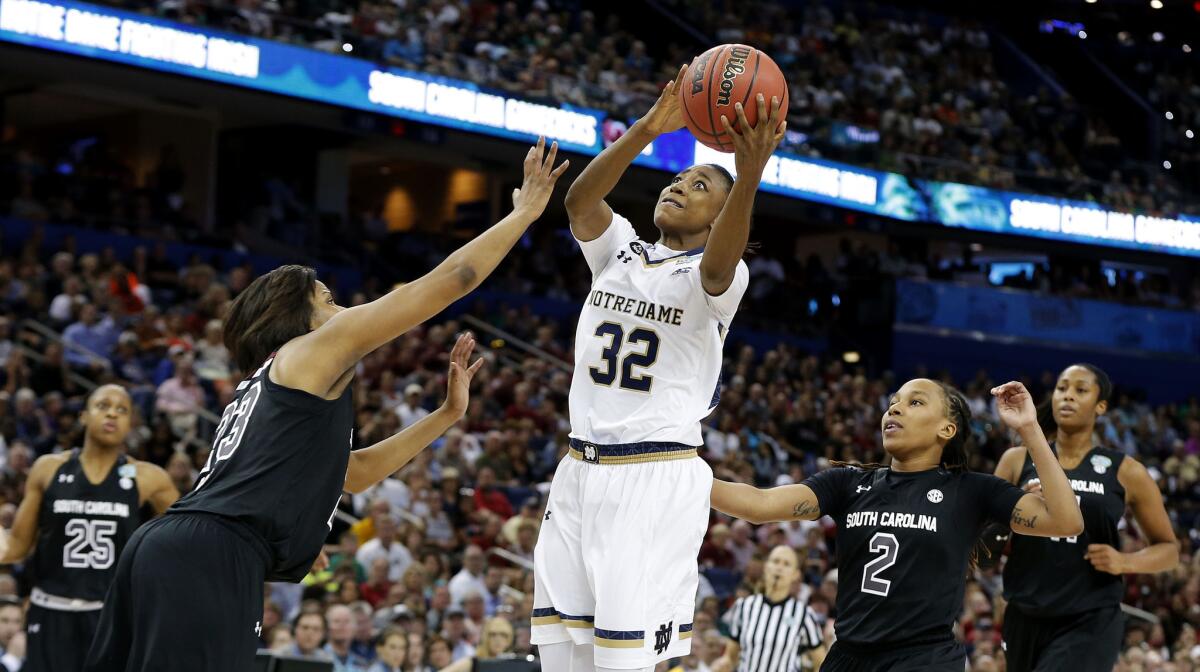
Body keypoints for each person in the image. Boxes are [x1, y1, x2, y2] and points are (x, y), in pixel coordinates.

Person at [82, 138, 569, 672]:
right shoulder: (314, 349)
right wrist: (524, 213)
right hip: (212, 553)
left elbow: (354, 475)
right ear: (298, 315)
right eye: (330, 301)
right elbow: (451, 281)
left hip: (171, 547)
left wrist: (447, 416)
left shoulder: (278, 384)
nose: (344, 310)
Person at [532, 64, 785, 672]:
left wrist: (747, 176)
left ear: (721, 217)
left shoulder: (719, 279)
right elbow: (580, 201)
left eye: (700, 187)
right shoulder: (620, 252)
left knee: (624, 663)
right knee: (562, 658)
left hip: (652, 475)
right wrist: (649, 127)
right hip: (578, 469)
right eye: (678, 177)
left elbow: (721, 261)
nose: (678, 186)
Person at [710, 379, 1084, 671]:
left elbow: (1065, 520)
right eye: (893, 403)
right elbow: (758, 505)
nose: (895, 410)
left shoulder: (972, 491)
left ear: (947, 430)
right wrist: (675, 471)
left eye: (915, 402)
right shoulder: (846, 484)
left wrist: (1030, 430)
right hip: (848, 656)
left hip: (923, 658)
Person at [991, 364, 1178, 672]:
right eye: (1062, 388)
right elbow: (986, 540)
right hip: (1024, 611)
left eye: (1080, 390)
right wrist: (1017, 505)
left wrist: (1124, 562)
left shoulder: (1126, 470)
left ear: (1100, 406)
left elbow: (1169, 550)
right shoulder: (1015, 460)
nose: (1068, 397)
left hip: (1090, 616)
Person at [0, 385, 178, 672]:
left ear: (130, 422)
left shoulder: (149, 478)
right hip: (50, 612)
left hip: (108, 615)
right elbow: (16, 547)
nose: (112, 413)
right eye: (103, 405)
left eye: (122, 410)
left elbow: (189, 537)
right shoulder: (48, 468)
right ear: (83, 416)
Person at [712, 546, 825, 672]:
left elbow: (821, 662)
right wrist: (722, 664)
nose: (779, 567)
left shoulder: (804, 614)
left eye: (786, 564)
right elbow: (730, 656)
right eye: (775, 561)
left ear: (795, 575)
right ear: (766, 567)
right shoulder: (744, 606)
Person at [441, 617, 515, 672]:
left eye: (503, 635)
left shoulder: (513, 665)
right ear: (486, 637)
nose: (498, 639)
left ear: (509, 639)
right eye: (493, 634)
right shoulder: (474, 663)